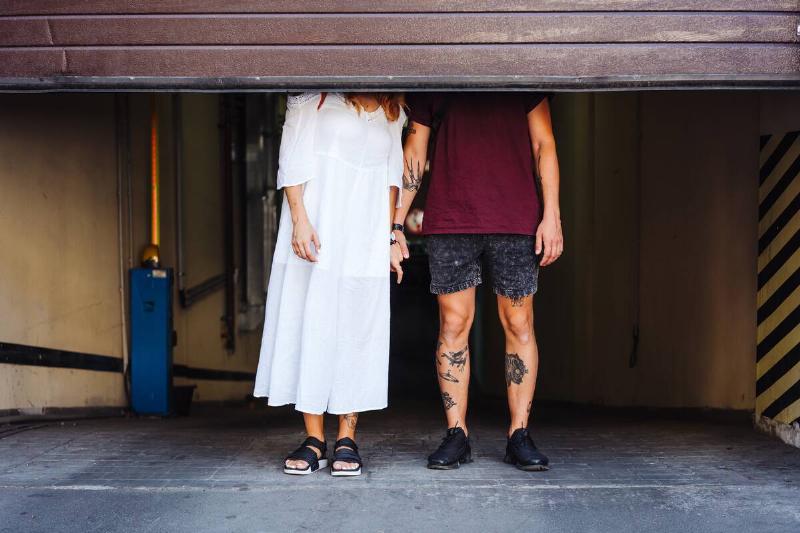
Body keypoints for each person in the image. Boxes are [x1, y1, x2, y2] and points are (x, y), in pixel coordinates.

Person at [393, 92, 563, 471]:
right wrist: (396, 223)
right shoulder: (436, 76)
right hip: (452, 218)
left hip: (516, 217)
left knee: (519, 323)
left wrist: (552, 214)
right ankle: (457, 433)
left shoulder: (521, 74)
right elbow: (415, 148)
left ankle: (519, 434)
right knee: (454, 324)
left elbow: (544, 143)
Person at [253, 92, 406, 476]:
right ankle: (314, 439)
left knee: (356, 332)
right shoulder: (315, 96)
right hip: (317, 232)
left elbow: (392, 180)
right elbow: (291, 159)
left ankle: (347, 438)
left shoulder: (392, 109)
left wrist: (389, 238)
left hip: (364, 240)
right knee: (313, 326)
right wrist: (299, 220)